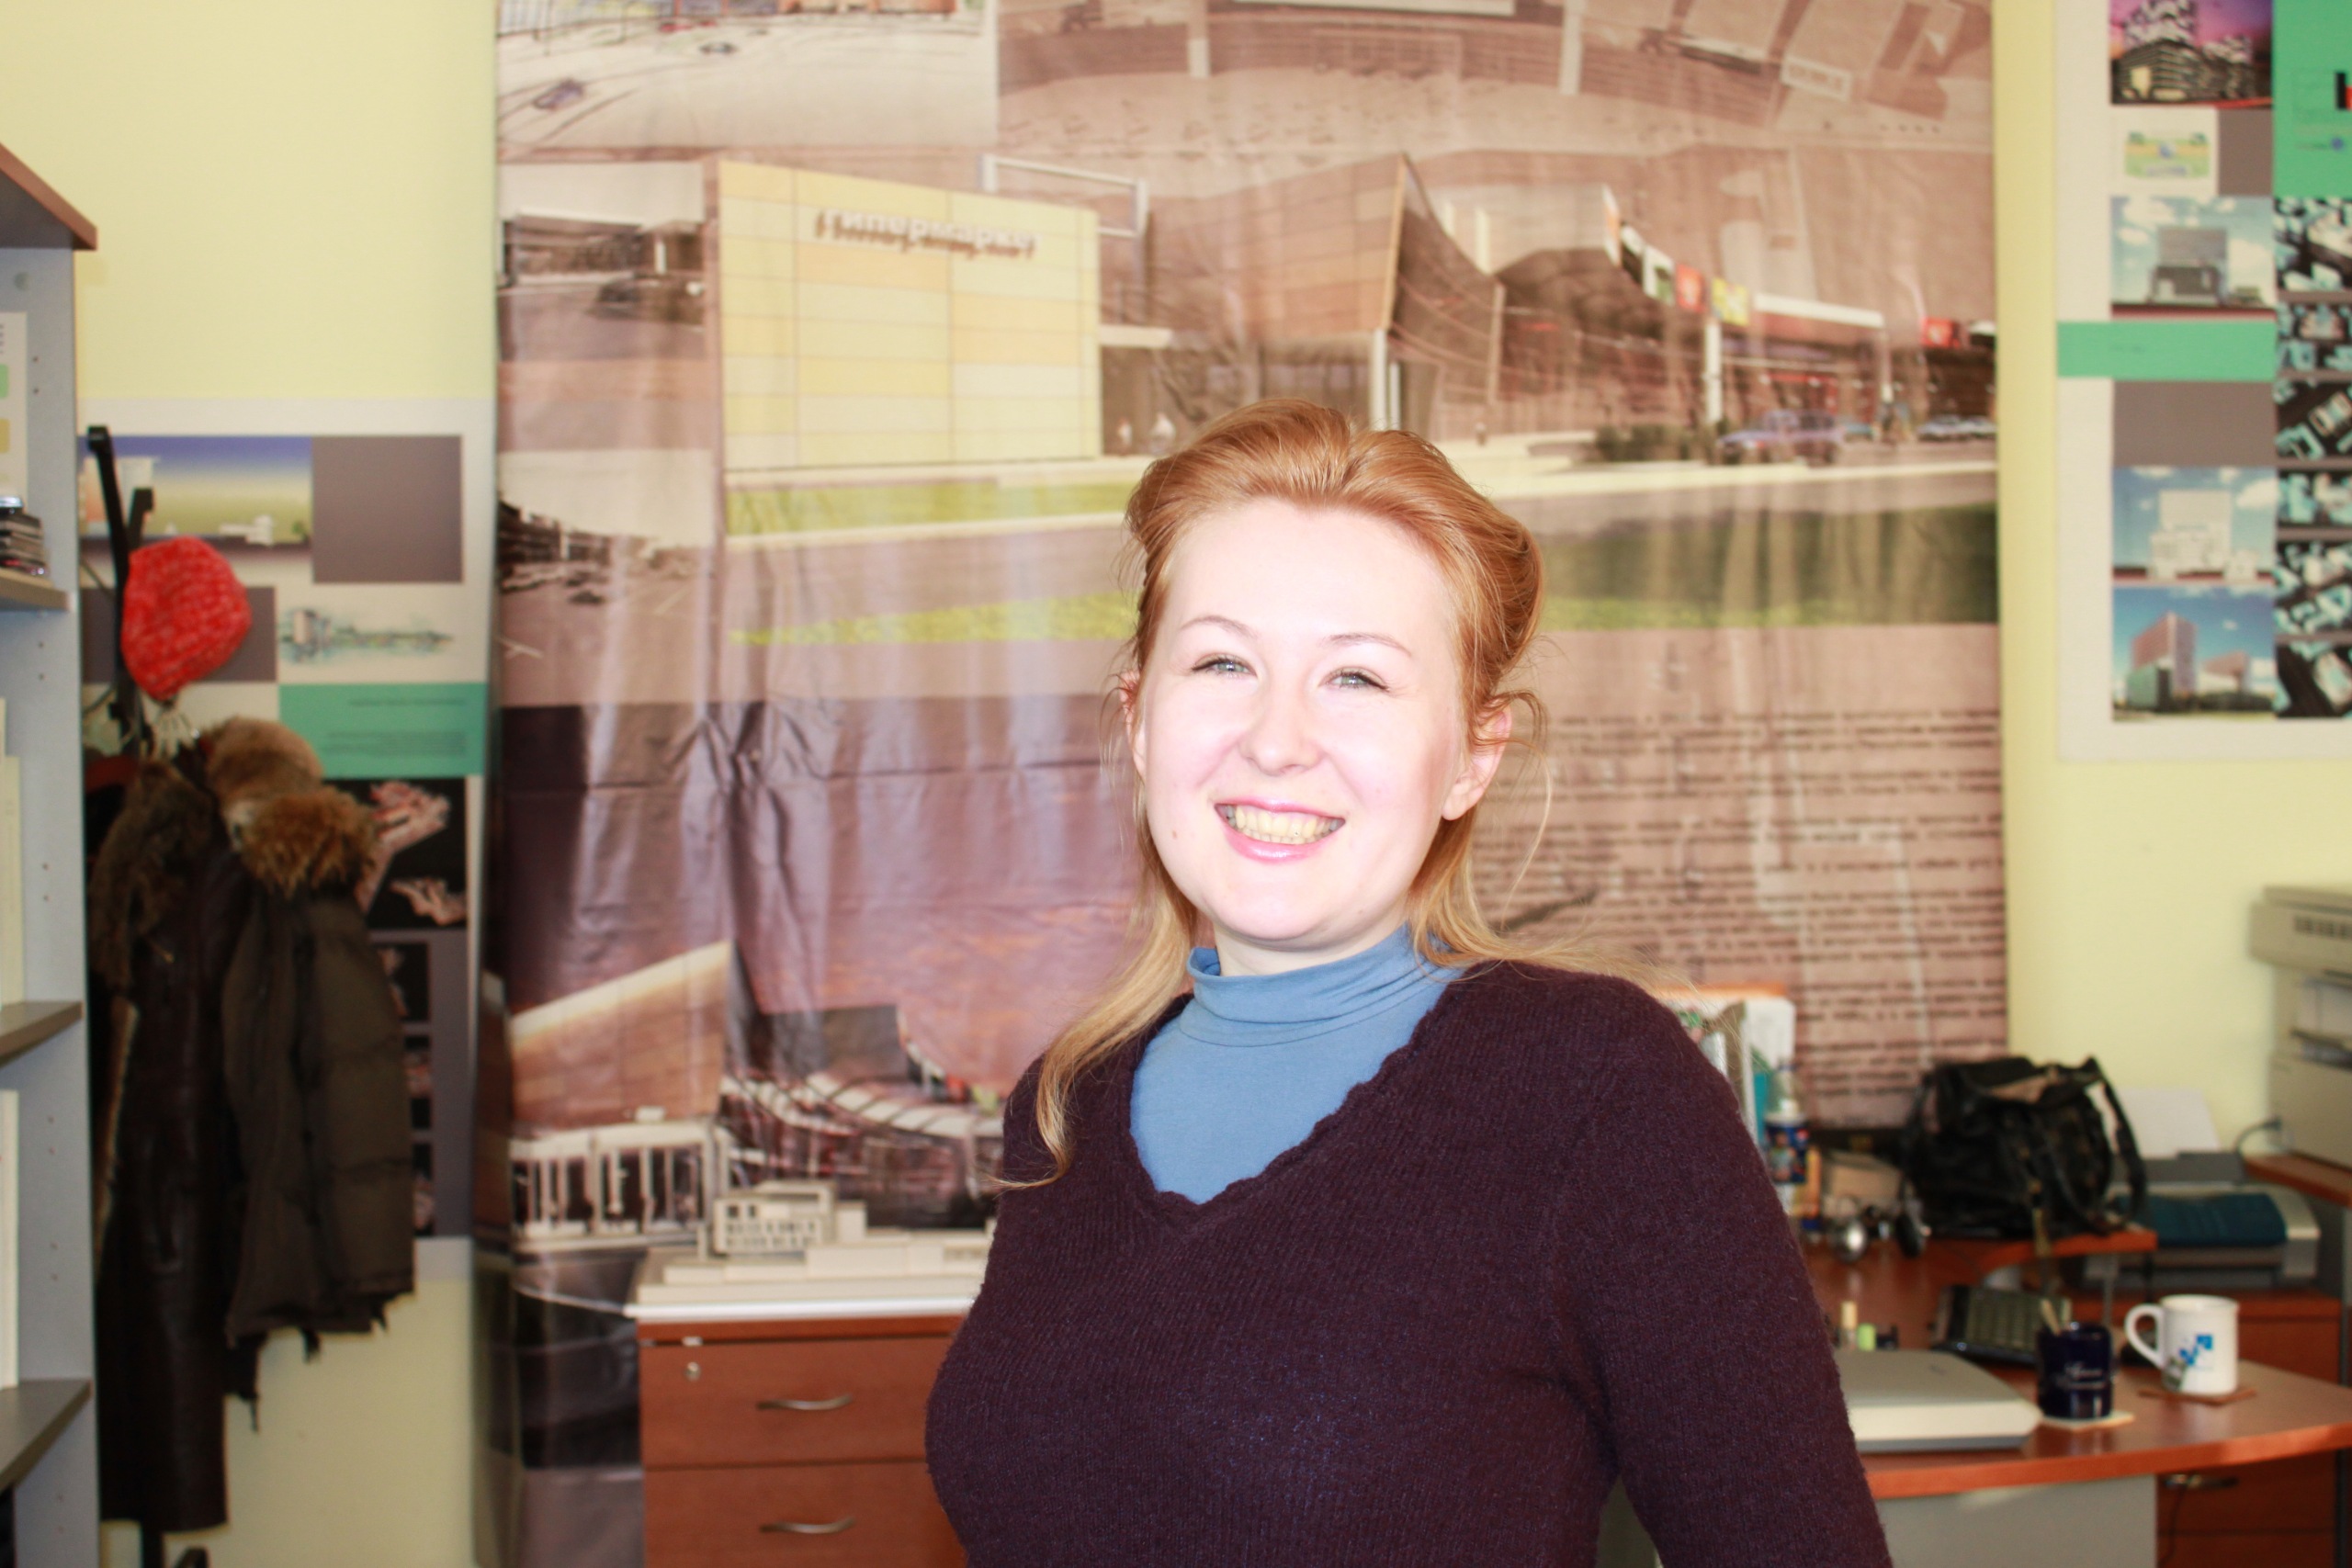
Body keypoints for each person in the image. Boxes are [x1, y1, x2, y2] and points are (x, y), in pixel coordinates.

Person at [925, 400, 1888, 1566]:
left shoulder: (1593, 1091)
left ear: (1472, 756)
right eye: (1223, 662)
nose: (1276, 740)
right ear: (1139, 718)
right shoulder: (1063, 1105)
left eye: (1358, 678)